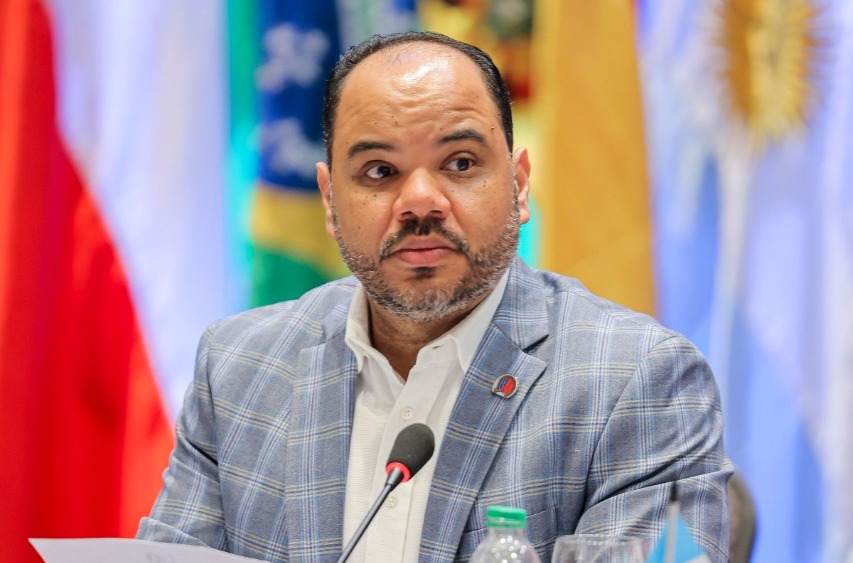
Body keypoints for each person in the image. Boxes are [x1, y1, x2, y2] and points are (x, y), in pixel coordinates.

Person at [138, 31, 731, 562]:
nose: (420, 201)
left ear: (519, 185)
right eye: (379, 171)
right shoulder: (239, 367)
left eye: (460, 163)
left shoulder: (638, 381)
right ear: (329, 201)